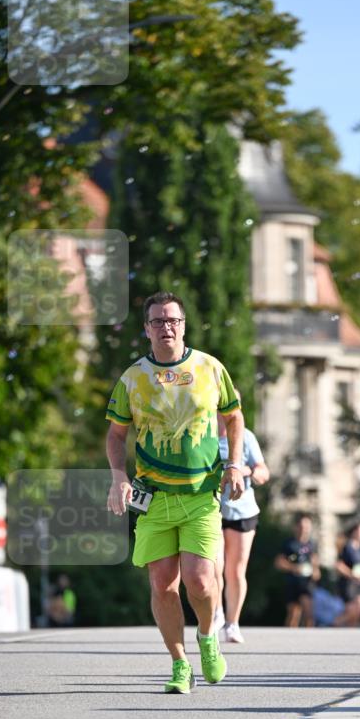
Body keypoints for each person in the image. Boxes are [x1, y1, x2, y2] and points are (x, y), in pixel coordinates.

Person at [105, 291, 244, 693]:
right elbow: (116, 434)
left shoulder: (210, 368)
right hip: (154, 497)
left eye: (172, 320)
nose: (166, 327)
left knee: (200, 582)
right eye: (158, 321)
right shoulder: (133, 378)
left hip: (201, 494)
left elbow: (234, 417)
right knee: (163, 585)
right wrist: (118, 476)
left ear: (183, 326)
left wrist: (234, 464)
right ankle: (180, 664)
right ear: (146, 330)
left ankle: (207, 636)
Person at [215, 401, 270, 643]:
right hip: (212, 510)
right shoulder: (204, 433)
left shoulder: (246, 436)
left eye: (235, 406)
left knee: (235, 571)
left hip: (242, 511)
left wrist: (247, 471)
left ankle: (232, 623)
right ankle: (216, 612)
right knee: (213, 566)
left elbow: (263, 471)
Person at [275, 515, 320, 627]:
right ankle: (290, 637)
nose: (304, 530)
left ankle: (310, 636)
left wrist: (315, 570)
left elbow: (315, 561)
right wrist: (294, 568)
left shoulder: (312, 544)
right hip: (293, 582)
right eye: (301, 526)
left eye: (306, 527)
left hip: (307, 583)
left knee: (309, 613)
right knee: (293, 614)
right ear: (296, 527)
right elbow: (279, 563)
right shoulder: (289, 544)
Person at [334, 521, 360, 627]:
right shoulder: (347, 547)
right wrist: (352, 575)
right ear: (355, 531)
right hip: (348, 584)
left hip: (358, 584)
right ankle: (334, 624)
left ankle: (351, 633)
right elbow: (339, 565)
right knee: (352, 610)